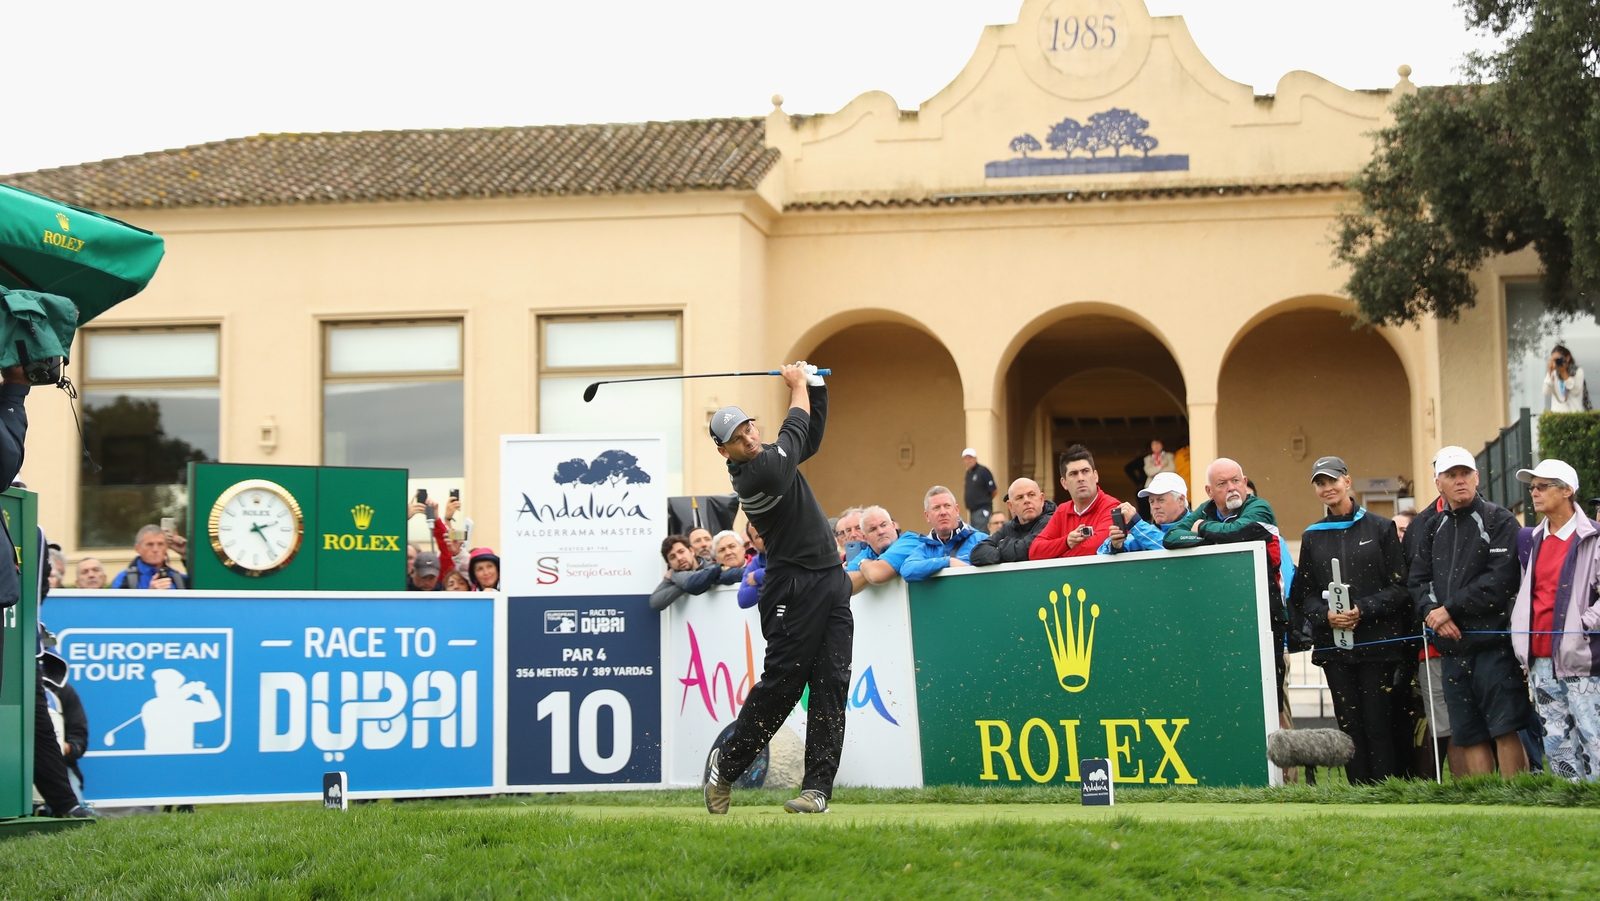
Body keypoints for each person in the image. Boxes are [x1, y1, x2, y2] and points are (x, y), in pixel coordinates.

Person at [703, 362, 852, 816]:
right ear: (724, 450)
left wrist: (817, 386)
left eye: (749, 428)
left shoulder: (770, 456)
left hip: (830, 579)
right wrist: (798, 385)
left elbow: (810, 436)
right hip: (791, 588)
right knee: (783, 687)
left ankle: (817, 789)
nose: (749, 438)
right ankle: (727, 766)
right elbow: (797, 425)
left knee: (832, 683)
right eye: (738, 438)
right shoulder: (758, 472)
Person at [1289, 456, 1414, 784]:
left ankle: (1385, 791)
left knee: (1379, 723)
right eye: (1320, 483)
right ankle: (1358, 792)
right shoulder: (1312, 536)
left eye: (1332, 480)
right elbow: (1304, 595)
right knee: (1349, 725)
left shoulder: (1380, 527)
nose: (1327, 488)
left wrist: (1364, 609)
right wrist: (1326, 616)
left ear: (1347, 481)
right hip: (1334, 648)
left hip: (1378, 645)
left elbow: (1401, 587)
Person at [1409, 446, 1531, 778]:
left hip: (1493, 645)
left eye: (1465, 473)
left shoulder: (1499, 518)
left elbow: (1500, 580)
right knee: (1468, 733)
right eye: (1451, 475)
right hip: (1451, 648)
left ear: (1477, 477)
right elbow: (1418, 581)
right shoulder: (1431, 527)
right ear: (1438, 483)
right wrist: (1433, 614)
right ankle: (1486, 800)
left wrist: (1448, 610)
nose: (1459, 480)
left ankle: (1516, 797)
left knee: (1504, 727)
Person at [1165, 458, 1290, 715]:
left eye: (1235, 481)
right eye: (1222, 484)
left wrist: (1203, 529)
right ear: (1209, 491)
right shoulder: (1205, 509)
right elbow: (1171, 537)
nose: (1231, 487)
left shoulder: (1259, 507)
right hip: (1221, 620)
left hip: (1264, 619)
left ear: (1245, 482)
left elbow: (1237, 532)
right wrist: (1208, 536)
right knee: (1228, 697)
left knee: (1269, 702)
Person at [1510, 459, 1600, 781]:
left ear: (1567, 491)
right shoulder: (1531, 539)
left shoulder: (1594, 537)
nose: (1534, 492)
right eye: (1532, 487)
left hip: (1581, 657)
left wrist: (1584, 624)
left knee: (1593, 737)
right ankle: (1568, 801)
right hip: (1540, 658)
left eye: (1542, 486)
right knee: (1557, 744)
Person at [1028, 445, 1122, 560]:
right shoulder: (1062, 510)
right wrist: (1067, 542)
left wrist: (1056, 555)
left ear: (1096, 476)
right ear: (1064, 483)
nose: (1080, 478)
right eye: (1073, 474)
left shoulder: (1113, 507)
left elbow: (1095, 548)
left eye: (1085, 471)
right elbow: (1035, 551)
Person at [900, 487, 982, 582]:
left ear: (957, 510)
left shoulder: (979, 540)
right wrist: (947, 561)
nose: (943, 512)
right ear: (927, 516)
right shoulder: (925, 549)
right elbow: (907, 570)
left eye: (947, 506)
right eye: (936, 508)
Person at [972, 478, 1056, 566]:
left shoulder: (1053, 521)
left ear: (1041, 499)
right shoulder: (1008, 527)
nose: (1026, 500)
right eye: (1020, 497)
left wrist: (1000, 546)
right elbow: (977, 553)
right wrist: (1009, 553)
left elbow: (1032, 548)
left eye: (1031, 495)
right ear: (1011, 506)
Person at [1099, 471, 1187, 554]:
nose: (1155, 506)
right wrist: (1116, 545)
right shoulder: (1145, 533)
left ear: (1181, 500)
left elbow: (1171, 545)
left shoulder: (1194, 526)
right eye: (1151, 501)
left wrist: (1135, 523)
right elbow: (1100, 552)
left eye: (1161, 500)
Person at [649, 534, 734, 611]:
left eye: (681, 551)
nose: (679, 558)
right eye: (672, 557)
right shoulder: (673, 576)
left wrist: (681, 581)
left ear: (691, 551)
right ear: (670, 565)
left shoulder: (711, 567)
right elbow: (655, 602)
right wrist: (682, 582)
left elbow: (709, 575)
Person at [846, 506, 918, 592]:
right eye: (873, 529)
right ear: (865, 538)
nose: (880, 532)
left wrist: (863, 563)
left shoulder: (910, 541)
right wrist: (871, 570)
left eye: (883, 525)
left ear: (893, 525)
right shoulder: (867, 552)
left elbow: (877, 575)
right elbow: (843, 586)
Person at [109, 525, 188, 589]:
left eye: (160, 544)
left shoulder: (177, 577)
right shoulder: (125, 578)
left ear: (167, 547)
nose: (155, 549)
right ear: (137, 548)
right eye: (150, 545)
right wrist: (150, 595)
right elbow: (116, 604)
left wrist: (186, 555)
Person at [1544, 344, 1589, 413]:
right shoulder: (1554, 373)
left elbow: (1575, 391)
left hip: (1574, 414)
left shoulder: (1577, 371)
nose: (1557, 362)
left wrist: (1564, 373)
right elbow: (1546, 392)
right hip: (1557, 414)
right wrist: (1549, 373)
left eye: (1559, 359)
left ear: (1567, 358)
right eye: (1554, 360)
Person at [962, 448, 997, 527]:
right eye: (966, 458)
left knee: (981, 531)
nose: (968, 461)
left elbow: (994, 491)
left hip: (982, 510)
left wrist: (984, 500)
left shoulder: (983, 471)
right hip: (973, 511)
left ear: (975, 458)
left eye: (970, 458)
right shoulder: (969, 473)